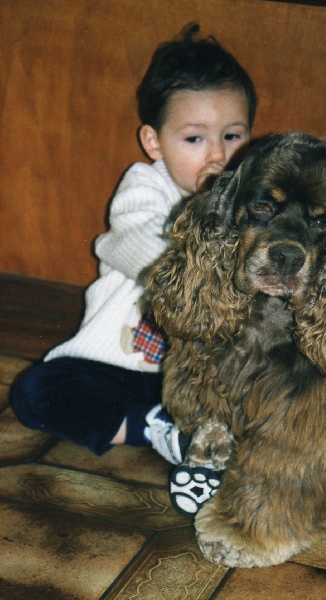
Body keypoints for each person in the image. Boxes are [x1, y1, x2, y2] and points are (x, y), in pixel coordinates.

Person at [11, 24, 257, 518]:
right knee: (37, 393)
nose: (217, 155)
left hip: (205, 380)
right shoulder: (144, 188)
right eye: (194, 138)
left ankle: (206, 438)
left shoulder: (252, 202)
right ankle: (158, 430)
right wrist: (213, 265)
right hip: (121, 372)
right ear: (154, 141)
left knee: (268, 402)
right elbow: (136, 244)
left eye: (233, 135)